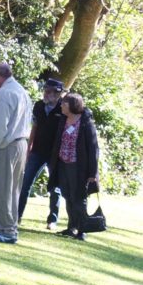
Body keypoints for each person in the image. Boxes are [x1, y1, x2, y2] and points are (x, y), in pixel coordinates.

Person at [0, 63, 32, 244]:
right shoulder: (22, 92)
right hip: (20, 144)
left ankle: (7, 230)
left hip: (6, 146)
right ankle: (9, 228)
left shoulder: (4, 94)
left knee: (1, 189)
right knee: (12, 190)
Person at [47, 93, 100, 241]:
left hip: (79, 167)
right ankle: (72, 227)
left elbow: (93, 149)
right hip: (63, 164)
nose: (62, 105)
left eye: (64, 103)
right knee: (68, 196)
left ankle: (82, 229)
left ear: (72, 105)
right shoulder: (63, 120)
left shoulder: (85, 123)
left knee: (79, 198)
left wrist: (92, 173)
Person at [17, 78, 65, 229]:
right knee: (25, 184)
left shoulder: (64, 108)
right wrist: (29, 148)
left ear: (58, 93)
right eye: (46, 90)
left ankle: (52, 220)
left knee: (55, 187)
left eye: (50, 91)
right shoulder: (38, 106)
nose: (47, 94)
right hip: (37, 151)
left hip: (55, 154)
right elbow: (34, 127)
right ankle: (17, 216)